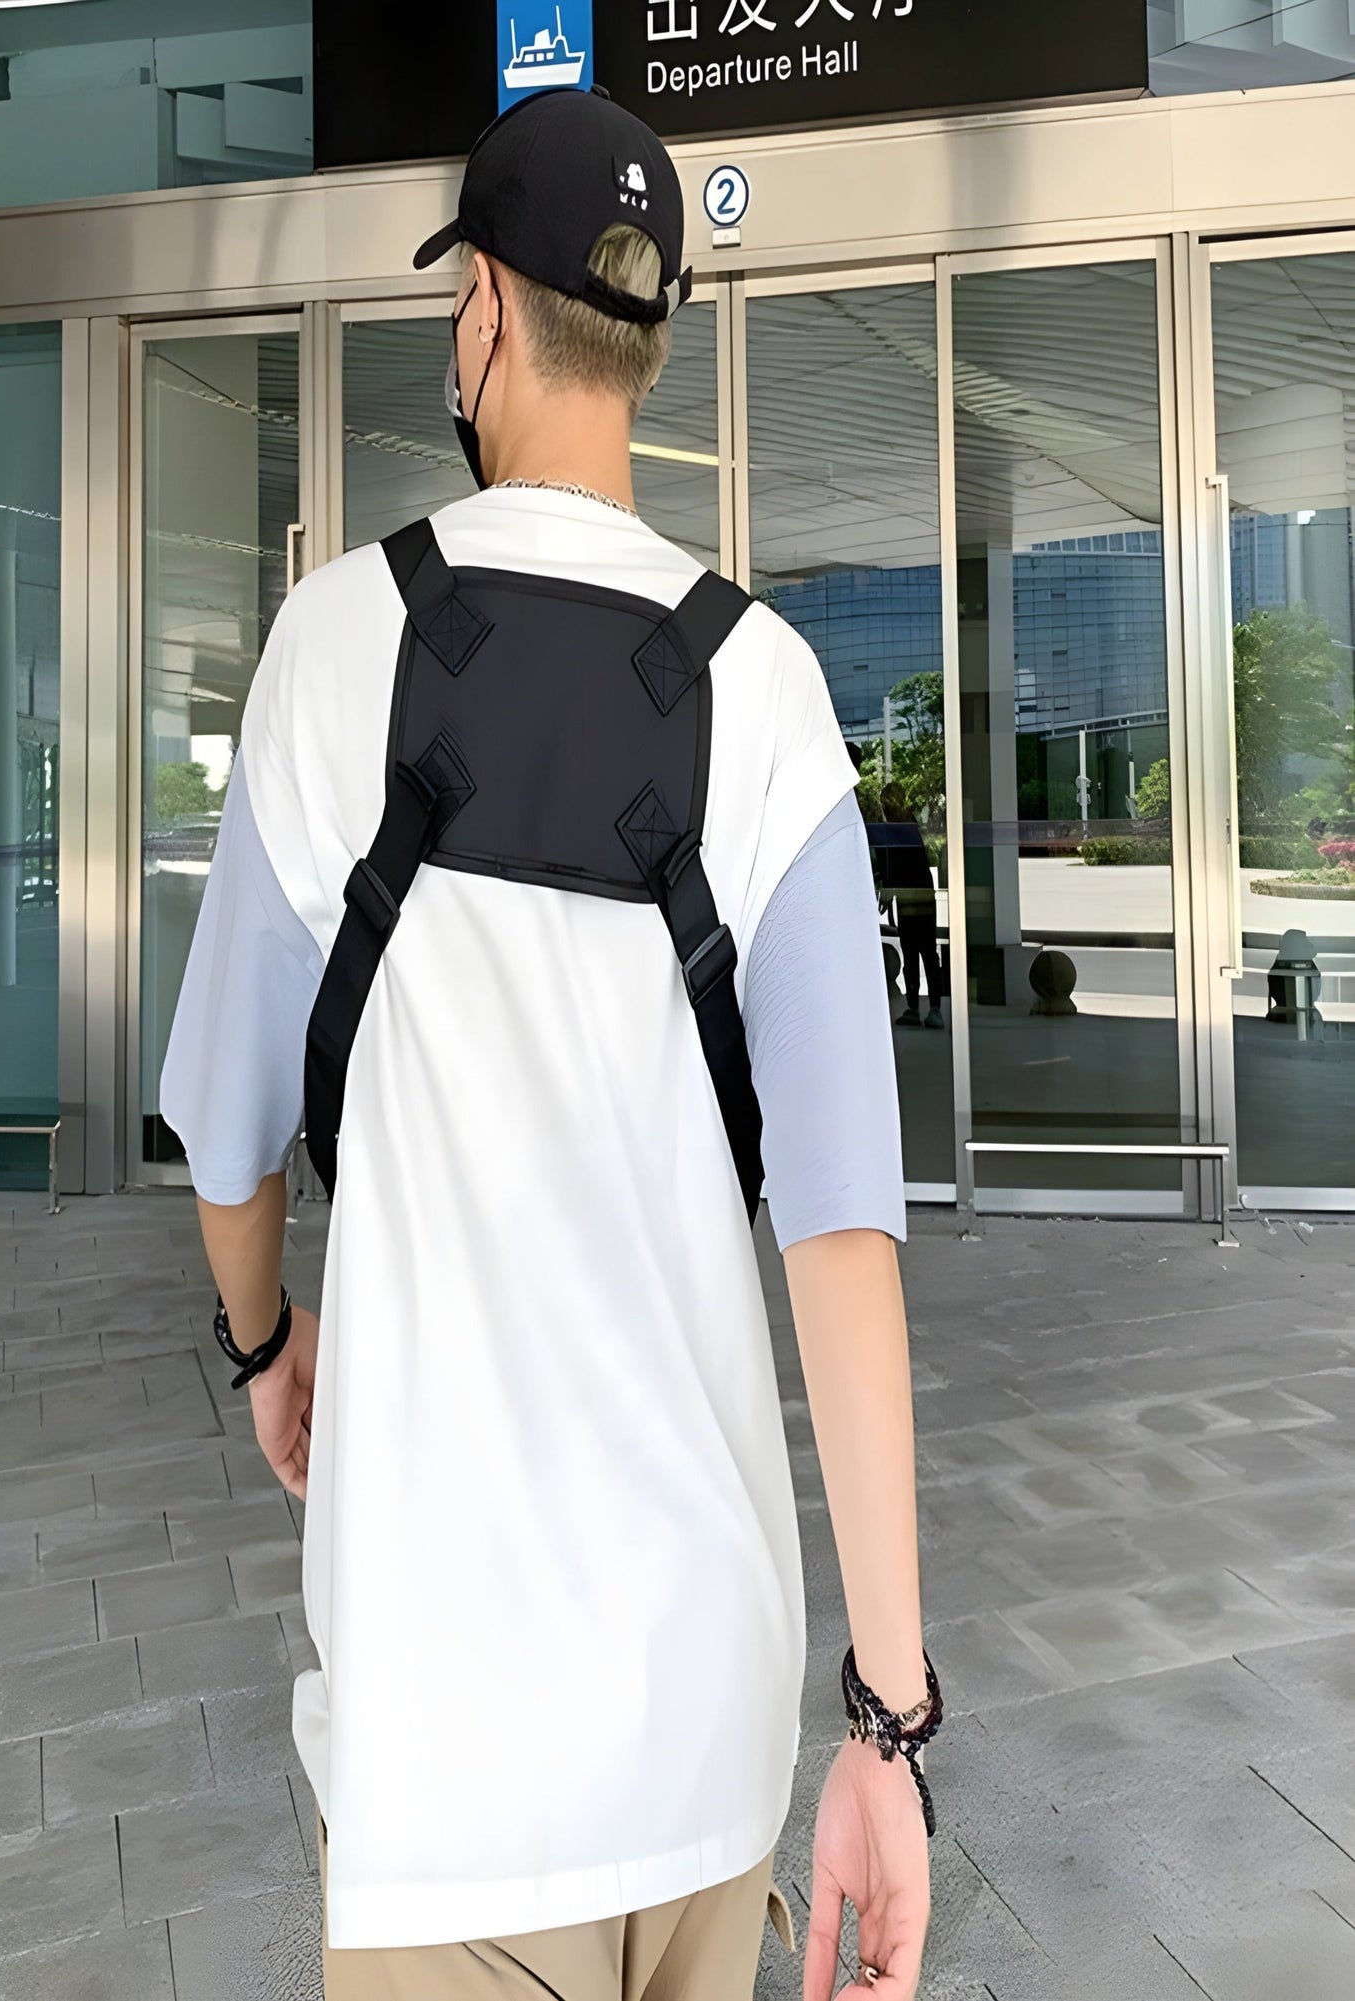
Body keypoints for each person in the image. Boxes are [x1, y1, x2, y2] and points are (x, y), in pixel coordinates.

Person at [161, 85, 935, 2001]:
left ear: (487, 314)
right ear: (649, 351)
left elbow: (233, 1142)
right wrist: (888, 1728)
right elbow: (843, 1248)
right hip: (707, 1736)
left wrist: (269, 1346)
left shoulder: (337, 652)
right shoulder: (767, 695)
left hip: (454, 1762)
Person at [873, 783, 943, 1030]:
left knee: (918, 951)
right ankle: (925, 1007)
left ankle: (924, 1007)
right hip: (920, 897)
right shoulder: (909, 824)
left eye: (885, 803)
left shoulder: (900, 828)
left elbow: (896, 866)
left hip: (913, 899)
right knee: (921, 952)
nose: (883, 808)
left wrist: (887, 894)